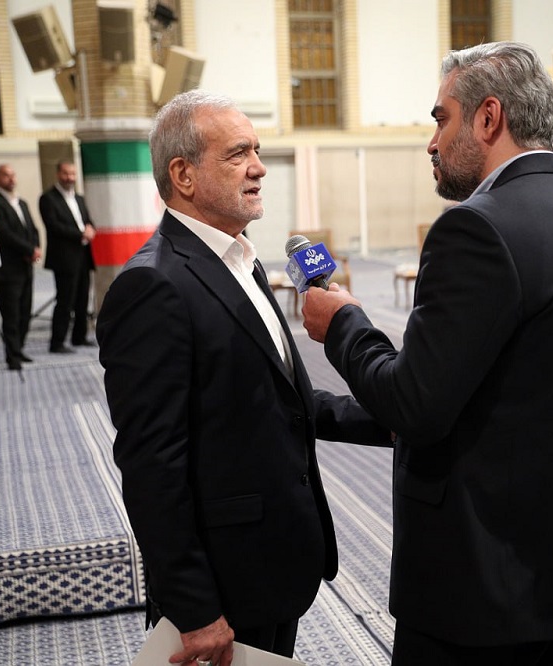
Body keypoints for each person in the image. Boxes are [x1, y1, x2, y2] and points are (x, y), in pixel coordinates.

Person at [302, 41, 553, 665]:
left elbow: (415, 404)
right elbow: (505, 389)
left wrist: (343, 323)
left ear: (488, 117)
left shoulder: (478, 226)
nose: (432, 143)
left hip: (482, 579)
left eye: (441, 119)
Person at [96, 90, 388, 666]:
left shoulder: (241, 260)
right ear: (183, 174)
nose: (258, 167)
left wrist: (390, 419)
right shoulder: (152, 286)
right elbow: (151, 464)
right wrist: (194, 607)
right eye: (237, 154)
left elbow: (281, 397)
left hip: (274, 562)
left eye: (256, 150)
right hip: (221, 586)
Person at [39, 160, 96, 353]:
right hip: (64, 258)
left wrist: (91, 229)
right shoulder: (48, 199)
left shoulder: (79, 198)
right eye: (66, 173)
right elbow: (54, 226)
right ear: (58, 174)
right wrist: (81, 234)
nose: (70, 177)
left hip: (83, 255)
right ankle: (57, 342)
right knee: (65, 301)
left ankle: (79, 337)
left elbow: (87, 220)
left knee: (83, 298)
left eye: (72, 174)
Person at [0, 164, 42, 371]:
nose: (11, 179)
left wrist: (35, 248)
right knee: (10, 315)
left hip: (25, 266)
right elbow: (4, 233)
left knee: (24, 312)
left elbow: (32, 229)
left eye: (13, 175)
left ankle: (19, 349)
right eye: (6, 175)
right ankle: (12, 356)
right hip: (7, 270)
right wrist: (29, 249)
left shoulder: (21, 202)